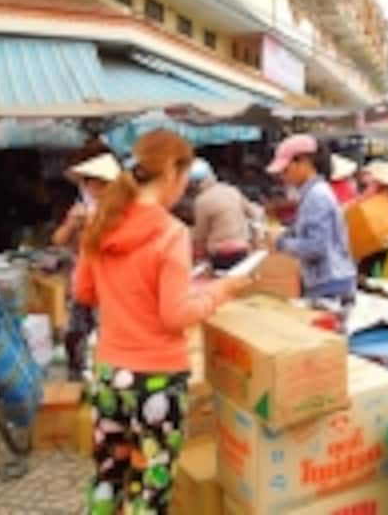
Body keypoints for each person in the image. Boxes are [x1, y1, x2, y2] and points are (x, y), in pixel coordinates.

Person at [74, 130, 250, 515]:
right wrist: (221, 291)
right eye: (184, 181)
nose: (182, 191)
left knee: (108, 476)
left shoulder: (101, 222)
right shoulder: (170, 234)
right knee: (149, 486)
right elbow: (176, 316)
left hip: (108, 372)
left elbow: (84, 291)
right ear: (172, 172)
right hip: (155, 379)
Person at [53, 150, 121, 381]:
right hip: (83, 280)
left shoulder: (120, 211)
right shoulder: (80, 208)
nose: (88, 186)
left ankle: (104, 376)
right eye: (86, 181)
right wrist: (73, 224)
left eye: (92, 181)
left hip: (108, 283)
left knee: (104, 332)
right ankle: (80, 375)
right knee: (76, 333)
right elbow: (58, 239)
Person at [266, 135, 357, 301]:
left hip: (329, 282)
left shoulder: (316, 196)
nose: (283, 177)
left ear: (305, 162)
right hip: (329, 279)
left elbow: (316, 246)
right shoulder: (313, 193)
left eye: (286, 170)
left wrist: (281, 244)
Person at [190, 158, 265, 271]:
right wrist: (257, 237)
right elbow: (256, 213)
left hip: (220, 255)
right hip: (243, 249)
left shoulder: (201, 201)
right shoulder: (231, 190)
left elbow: (200, 236)